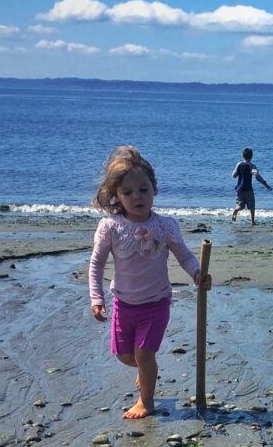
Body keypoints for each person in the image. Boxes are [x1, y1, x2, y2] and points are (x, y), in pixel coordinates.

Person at [89, 146, 211, 419]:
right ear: (117, 196)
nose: (137, 197)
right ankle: (147, 373)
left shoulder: (165, 226)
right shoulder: (111, 227)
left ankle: (147, 401)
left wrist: (197, 273)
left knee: (144, 356)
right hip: (123, 304)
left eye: (143, 189)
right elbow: (96, 264)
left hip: (156, 304)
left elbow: (184, 255)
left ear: (154, 189)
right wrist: (96, 299)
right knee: (125, 356)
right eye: (128, 192)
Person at [231, 147, 272, 226]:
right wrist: (265, 184)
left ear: (243, 156)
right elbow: (257, 177)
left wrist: (239, 173)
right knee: (252, 206)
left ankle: (235, 211)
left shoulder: (239, 164)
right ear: (251, 156)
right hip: (248, 189)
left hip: (239, 189)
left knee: (240, 206)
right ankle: (252, 222)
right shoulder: (252, 166)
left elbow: (233, 175)